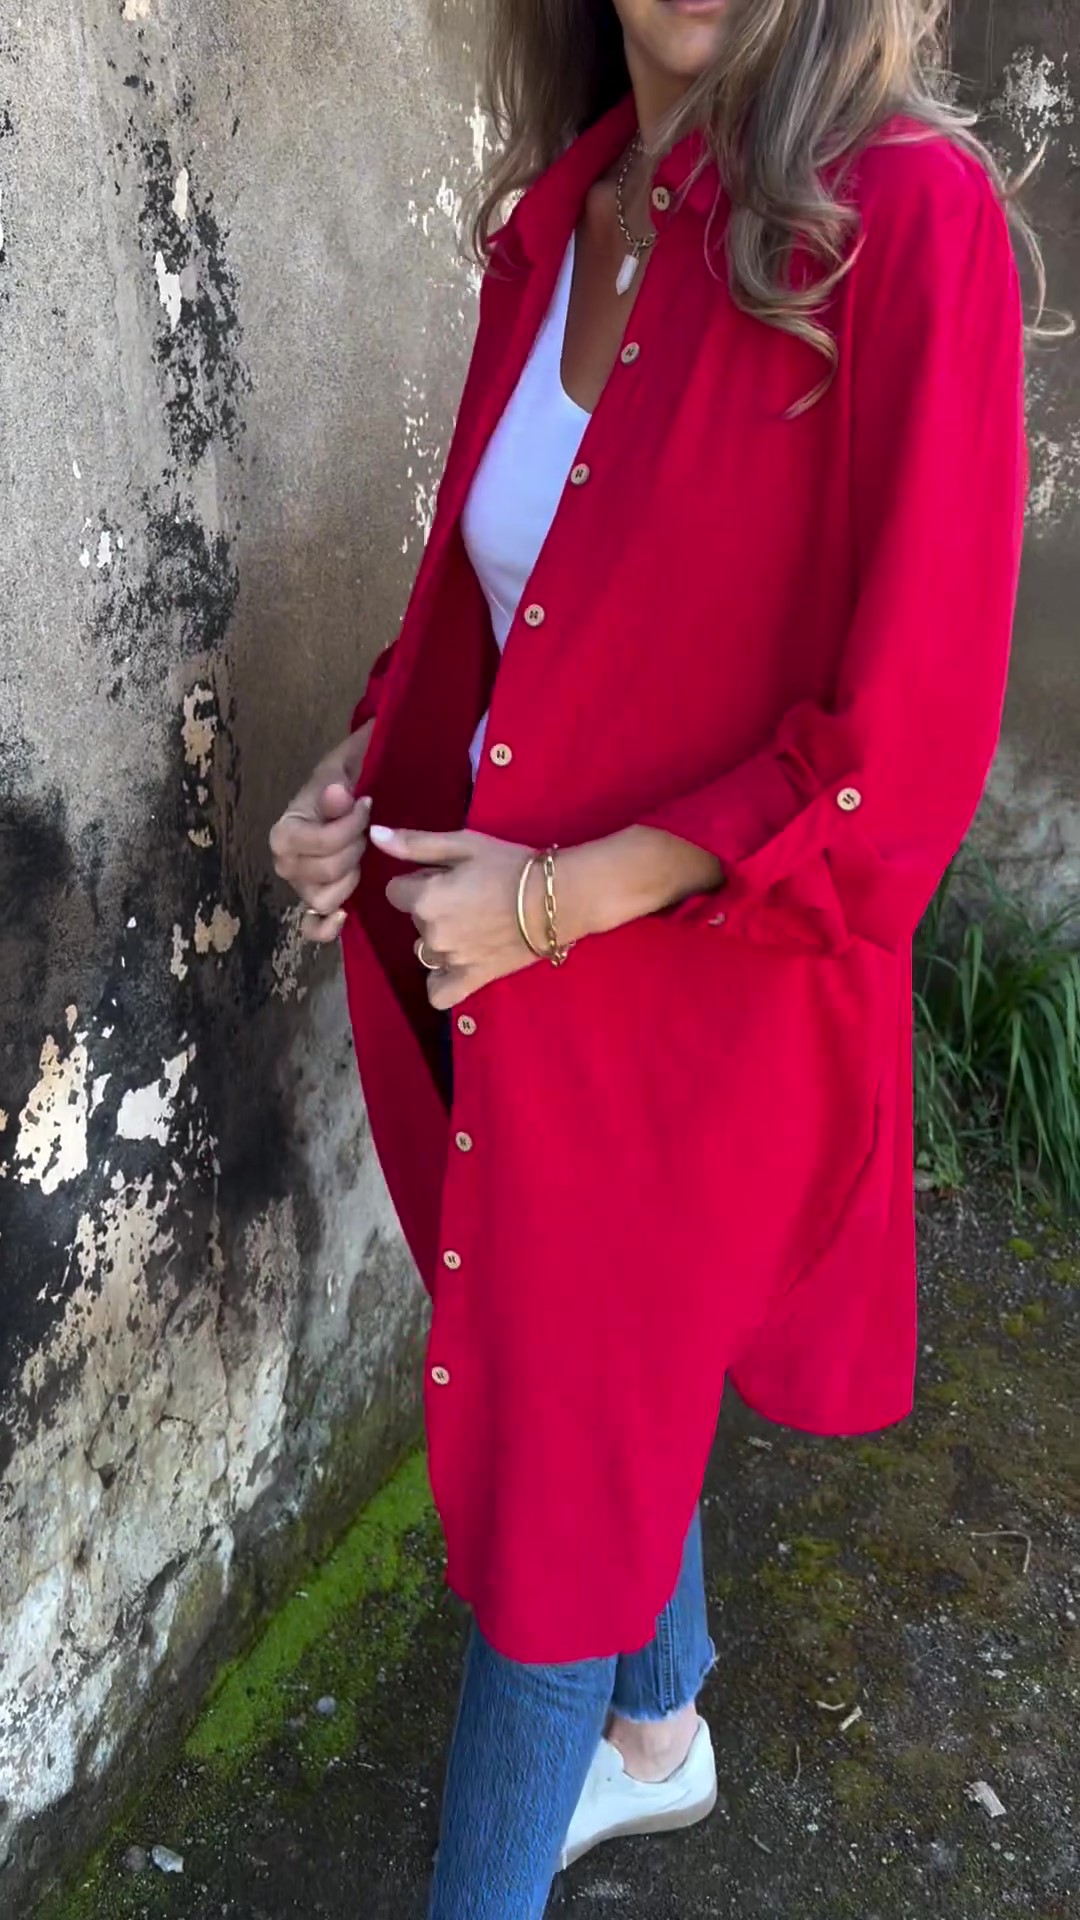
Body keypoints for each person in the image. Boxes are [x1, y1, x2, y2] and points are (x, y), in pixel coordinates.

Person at [270, 0, 1032, 1910]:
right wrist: (362, 763)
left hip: (707, 1000)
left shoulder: (906, 217)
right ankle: (658, 1725)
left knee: (560, 1481)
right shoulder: (568, 217)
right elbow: (514, 589)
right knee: (612, 1396)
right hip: (521, 974)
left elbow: (905, 747)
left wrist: (550, 901)